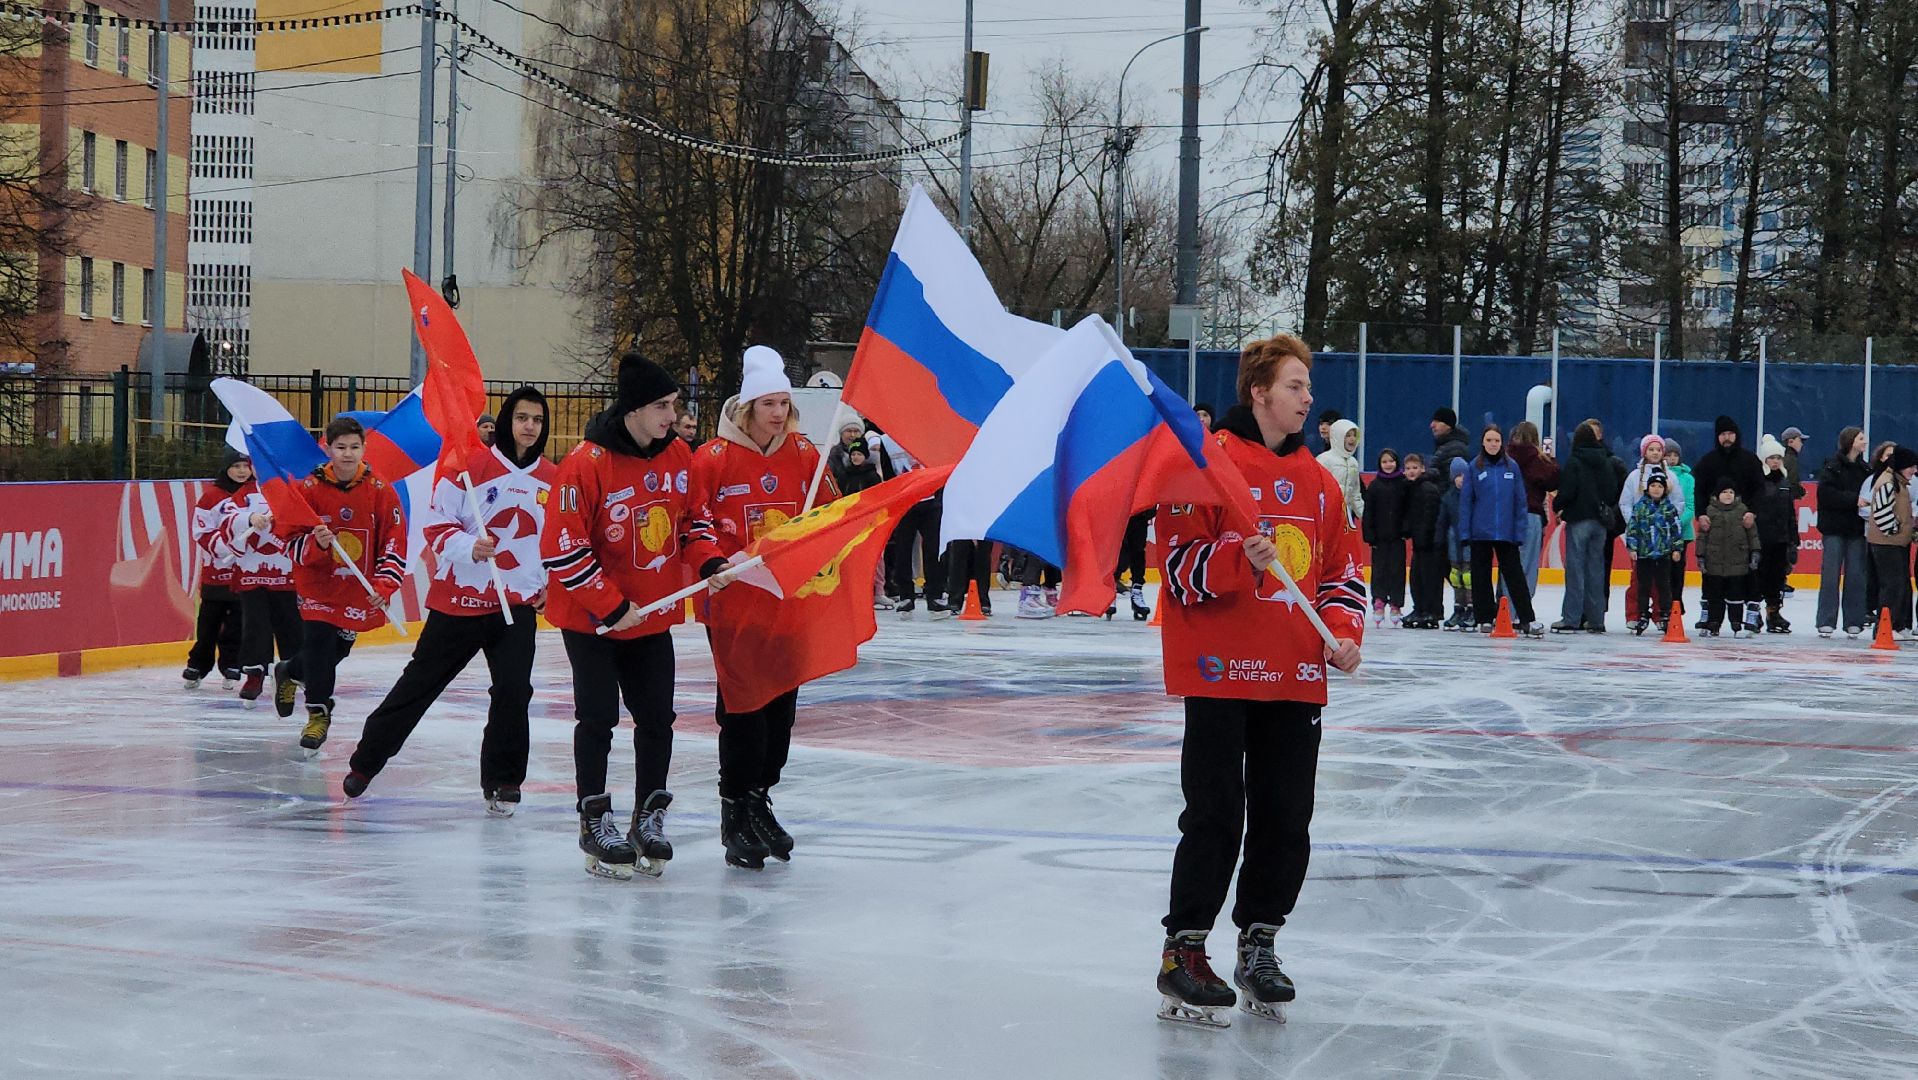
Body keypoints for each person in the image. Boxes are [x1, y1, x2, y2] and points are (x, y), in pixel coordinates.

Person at [1153, 333, 1364, 1028]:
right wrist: (1234, 557)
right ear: (1260, 392)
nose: (1309, 399)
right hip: (1221, 673)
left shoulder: (1321, 482)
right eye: (1297, 386)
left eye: (1308, 387)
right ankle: (1184, 951)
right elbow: (1177, 570)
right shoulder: (1205, 466)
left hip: (1296, 674)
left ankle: (1259, 942)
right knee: (1214, 815)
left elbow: (1340, 573)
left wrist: (1344, 633)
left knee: (1285, 818)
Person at [540, 354, 725, 879]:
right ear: (635, 409)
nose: (673, 415)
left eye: (674, 406)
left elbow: (694, 522)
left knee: (658, 719)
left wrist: (710, 560)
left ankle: (649, 817)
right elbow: (561, 545)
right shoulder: (586, 462)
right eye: (663, 406)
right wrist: (610, 606)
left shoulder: (680, 456)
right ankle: (594, 819)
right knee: (597, 718)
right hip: (593, 621)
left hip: (652, 616)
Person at [343, 388, 557, 814]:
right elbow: (437, 526)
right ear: (508, 420)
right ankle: (366, 763)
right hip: (458, 601)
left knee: (514, 692)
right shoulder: (468, 466)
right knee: (420, 684)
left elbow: (554, 541)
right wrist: (469, 547)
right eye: (521, 417)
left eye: (536, 419)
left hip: (513, 605)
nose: (529, 426)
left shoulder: (553, 477)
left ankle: (503, 780)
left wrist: (548, 581)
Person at [690, 344, 838, 869]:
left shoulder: (803, 455)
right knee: (745, 707)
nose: (777, 413)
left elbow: (831, 517)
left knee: (782, 709)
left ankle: (760, 797)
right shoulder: (713, 457)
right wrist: (712, 562)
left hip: (787, 602)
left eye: (783, 403)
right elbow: (694, 520)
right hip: (734, 604)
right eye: (768, 403)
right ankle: (735, 810)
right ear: (747, 406)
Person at [274, 417, 408, 754]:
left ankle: (290, 671)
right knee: (319, 643)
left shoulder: (380, 490)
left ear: (364, 448)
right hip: (317, 587)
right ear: (328, 448)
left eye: (354, 447)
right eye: (340, 447)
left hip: (357, 590)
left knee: (336, 651)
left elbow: (395, 540)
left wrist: (384, 584)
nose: (347, 454)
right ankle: (319, 714)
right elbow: (287, 539)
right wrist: (316, 545)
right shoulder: (308, 490)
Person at [222, 463, 302, 705]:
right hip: (252, 571)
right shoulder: (245, 494)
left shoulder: (294, 490)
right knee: (255, 624)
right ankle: (254, 673)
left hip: (286, 570)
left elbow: (308, 519)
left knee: (291, 623)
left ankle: (293, 671)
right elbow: (227, 516)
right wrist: (248, 518)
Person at [1459, 425, 1541, 636]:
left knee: (1515, 576)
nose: (1493, 444)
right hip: (1481, 533)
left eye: (1496, 440)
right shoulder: (1474, 467)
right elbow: (1466, 502)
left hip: (1506, 533)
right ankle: (1484, 618)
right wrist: (1465, 532)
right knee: (1481, 577)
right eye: (1489, 440)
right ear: (1483, 443)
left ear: (1501, 443)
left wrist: (1519, 531)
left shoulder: (1511, 467)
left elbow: (1520, 502)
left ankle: (1527, 619)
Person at [185, 451, 249, 689]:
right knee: (209, 622)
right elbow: (202, 530)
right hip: (217, 571)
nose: (242, 471)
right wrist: (225, 548)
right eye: (236, 466)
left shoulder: (255, 496)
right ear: (226, 468)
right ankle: (198, 664)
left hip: (244, 573)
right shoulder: (211, 497)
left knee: (237, 622)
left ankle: (232, 664)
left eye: (246, 465)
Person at [869, 425, 946, 615]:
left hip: (930, 501)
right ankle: (905, 596)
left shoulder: (928, 437)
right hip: (905, 504)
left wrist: (938, 496)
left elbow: (938, 466)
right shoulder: (886, 441)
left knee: (933, 549)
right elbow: (888, 475)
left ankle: (934, 594)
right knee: (903, 550)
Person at [1552, 419, 1615, 633]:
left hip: (1579, 520)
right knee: (1596, 570)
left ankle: (1571, 617)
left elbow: (1568, 490)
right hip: (1600, 522)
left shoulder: (1575, 461)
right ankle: (1596, 619)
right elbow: (1611, 489)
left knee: (1575, 571)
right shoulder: (1605, 461)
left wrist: (1557, 505)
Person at [1815, 427, 1869, 638]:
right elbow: (1826, 494)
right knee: (1830, 575)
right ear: (1850, 441)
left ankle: (1854, 621)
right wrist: (1853, 500)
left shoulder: (1865, 469)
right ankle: (1826, 621)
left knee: (1856, 575)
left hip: (1856, 529)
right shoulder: (1832, 466)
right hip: (1834, 529)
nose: (1865, 442)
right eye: (1861, 438)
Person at [1865, 446, 1918, 639]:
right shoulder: (1887, 482)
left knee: (1899, 585)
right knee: (1892, 585)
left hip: (1896, 542)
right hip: (1886, 543)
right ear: (1902, 466)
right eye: (1911, 466)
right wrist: (1895, 530)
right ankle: (1883, 627)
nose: (1914, 471)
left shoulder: (1899, 482)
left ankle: (1895, 624)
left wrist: (1908, 533)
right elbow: (1881, 512)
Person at [1618, 435, 1669, 628]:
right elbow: (1626, 503)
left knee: (1661, 580)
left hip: (1662, 539)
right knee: (1638, 578)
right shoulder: (1634, 476)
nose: (1655, 453)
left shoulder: (1669, 476)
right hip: (1641, 539)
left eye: (1658, 449)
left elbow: (1677, 503)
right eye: (1651, 449)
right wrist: (1636, 526)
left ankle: (1659, 615)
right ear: (1644, 452)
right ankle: (1635, 614)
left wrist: (1666, 525)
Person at [1699, 478, 1760, 637]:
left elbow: (1752, 534)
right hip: (1715, 563)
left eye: (1731, 492)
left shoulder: (1743, 511)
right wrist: (1701, 556)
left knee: (1736, 596)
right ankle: (1714, 622)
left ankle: (1736, 621)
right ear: (1717, 495)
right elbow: (1702, 537)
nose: (1728, 495)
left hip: (1737, 563)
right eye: (1724, 492)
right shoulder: (1710, 512)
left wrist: (1755, 552)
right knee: (1715, 595)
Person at [1624, 471, 1681, 635]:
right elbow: (1632, 529)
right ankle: (1642, 614)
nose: (1656, 489)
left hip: (1663, 555)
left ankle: (1664, 614)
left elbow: (1675, 529)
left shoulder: (1669, 508)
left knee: (1664, 586)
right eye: (1653, 486)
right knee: (1643, 586)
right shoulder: (1640, 507)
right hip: (1644, 555)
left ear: (1665, 489)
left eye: (1660, 486)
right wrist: (1633, 548)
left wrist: (1677, 548)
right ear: (1647, 488)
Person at [1505, 421, 1558, 593]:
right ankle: (1522, 608)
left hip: (1507, 515)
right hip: (1531, 513)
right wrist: (1551, 461)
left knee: (1509, 562)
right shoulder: (1538, 460)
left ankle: (1505, 606)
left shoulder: (1504, 458)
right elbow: (1552, 481)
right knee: (1528, 563)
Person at [1753, 436, 1797, 633]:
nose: (1776, 461)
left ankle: (1773, 613)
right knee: (1758, 577)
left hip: (1781, 540)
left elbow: (1790, 512)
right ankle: (1754, 614)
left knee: (1777, 579)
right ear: (1764, 460)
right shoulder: (1757, 482)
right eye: (1771, 457)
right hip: (1761, 539)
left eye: (1778, 457)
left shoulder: (1784, 482)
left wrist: (1793, 539)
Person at [1361, 449, 1408, 627]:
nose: (1388, 464)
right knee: (1379, 570)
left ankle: (1396, 603)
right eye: (1384, 462)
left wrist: (1406, 529)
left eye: (1391, 461)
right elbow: (1369, 513)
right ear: (1380, 465)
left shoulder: (1403, 484)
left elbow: (1408, 510)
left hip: (1397, 537)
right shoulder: (1375, 486)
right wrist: (1369, 535)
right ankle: (1379, 601)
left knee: (1397, 570)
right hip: (1379, 538)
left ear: (1396, 462)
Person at [1402, 453, 1447, 629]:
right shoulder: (1410, 488)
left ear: (1422, 469)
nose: (1411, 472)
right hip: (1419, 543)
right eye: (1408, 468)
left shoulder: (1428, 488)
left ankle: (1432, 610)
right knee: (1416, 578)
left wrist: (1426, 537)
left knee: (1430, 578)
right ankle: (1419, 608)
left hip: (1430, 543)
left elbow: (1430, 517)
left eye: (1415, 468)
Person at [1661, 439, 1696, 620]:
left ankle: (1676, 603)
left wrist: (1675, 524)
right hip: (1659, 532)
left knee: (1677, 571)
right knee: (1661, 571)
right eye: (1668, 455)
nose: (1672, 459)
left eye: (1675, 455)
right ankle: (1662, 605)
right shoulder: (1658, 473)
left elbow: (1690, 507)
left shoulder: (1687, 478)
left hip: (1682, 533)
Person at [1437, 456, 1473, 630]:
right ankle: (1459, 607)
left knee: (1468, 576)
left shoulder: (1473, 496)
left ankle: (1472, 608)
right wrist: (1439, 539)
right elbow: (1442, 520)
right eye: (1457, 475)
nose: (1461, 479)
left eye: (1464, 475)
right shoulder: (1448, 497)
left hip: (1469, 542)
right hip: (1453, 542)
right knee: (1455, 576)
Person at [1315, 418, 1363, 526]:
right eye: (1348, 435)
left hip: (1345, 517)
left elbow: (1355, 494)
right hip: (1325, 517)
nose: (1352, 439)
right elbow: (1315, 490)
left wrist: (1365, 516)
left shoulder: (1353, 462)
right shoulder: (1323, 459)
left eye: (1354, 435)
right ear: (1338, 436)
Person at [1111, 510, 1155, 620]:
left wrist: (1150, 509)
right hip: (1119, 513)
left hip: (1140, 514)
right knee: (1120, 555)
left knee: (1138, 551)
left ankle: (1137, 591)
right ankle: (1110, 591)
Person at [827, 419, 880, 495]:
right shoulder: (834, 454)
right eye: (849, 431)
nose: (852, 435)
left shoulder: (872, 467)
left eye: (856, 431)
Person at [1429, 408, 1471, 480]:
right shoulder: (1445, 446)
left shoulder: (1456, 449)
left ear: (1448, 425)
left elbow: (1452, 482)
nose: (1432, 425)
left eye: (1438, 421)